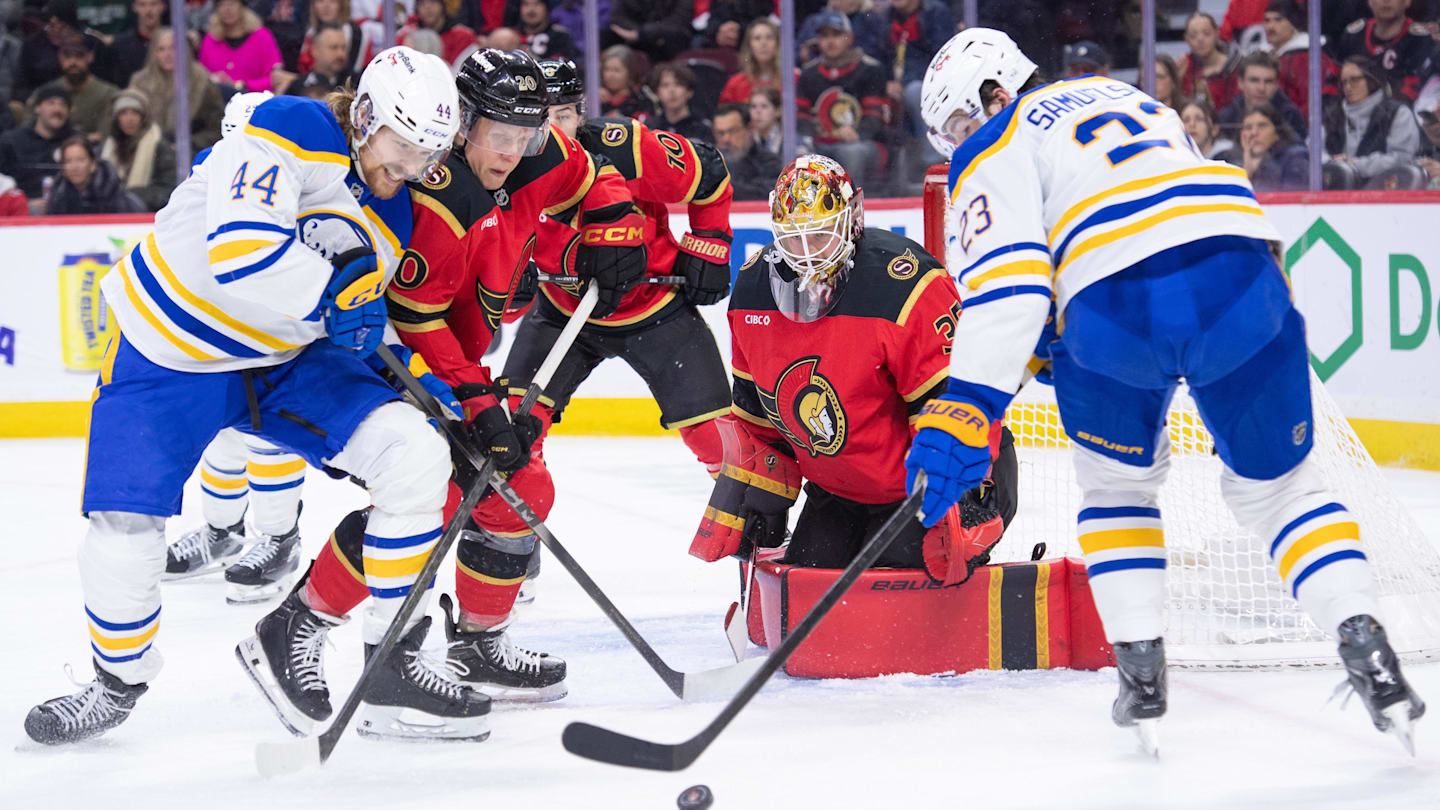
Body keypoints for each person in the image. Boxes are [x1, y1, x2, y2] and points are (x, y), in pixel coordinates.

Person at [913, 27, 1424, 752]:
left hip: (1117, 298)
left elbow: (1012, 290)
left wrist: (965, 408)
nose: (963, 142)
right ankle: (1362, 636)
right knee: (1283, 492)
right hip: (1243, 262)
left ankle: (1141, 675)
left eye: (962, 123)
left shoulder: (994, 145)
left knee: (1118, 491)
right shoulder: (1131, 97)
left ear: (994, 94)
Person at [23, 46, 489, 746]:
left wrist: (416, 377)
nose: (412, 168)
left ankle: (392, 663)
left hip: (282, 359)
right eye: (402, 145)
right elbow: (239, 251)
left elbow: (351, 319)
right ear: (363, 115)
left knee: (416, 454)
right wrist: (337, 289)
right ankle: (115, 682)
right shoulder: (293, 124)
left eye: (427, 155)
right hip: (168, 350)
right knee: (124, 525)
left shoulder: (395, 212)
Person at [245, 50, 646, 729]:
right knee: (438, 491)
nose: (512, 154)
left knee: (524, 494)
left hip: (462, 358)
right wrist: (478, 403)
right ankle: (297, 624)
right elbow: (415, 318)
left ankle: (478, 644)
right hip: (395, 358)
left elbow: (590, 176)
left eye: (527, 137)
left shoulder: (540, 153)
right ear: (463, 124)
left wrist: (616, 222)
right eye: (499, 137)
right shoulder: (433, 196)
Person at [693, 153, 1016, 585]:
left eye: (821, 236)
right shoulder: (753, 290)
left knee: (900, 585)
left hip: (925, 485)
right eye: (794, 239)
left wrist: (960, 497)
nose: (807, 255)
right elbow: (757, 417)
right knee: (808, 581)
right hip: (839, 490)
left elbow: (958, 405)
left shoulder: (905, 286)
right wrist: (757, 499)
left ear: (851, 221)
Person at [496, 57, 733, 600]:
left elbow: (711, 171)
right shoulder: (506, 158)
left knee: (724, 444)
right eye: (536, 118)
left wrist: (711, 243)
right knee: (509, 432)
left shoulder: (631, 147)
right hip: (561, 309)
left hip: (652, 306)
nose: (548, 132)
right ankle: (510, 547)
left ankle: (759, 549)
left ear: (581, 113)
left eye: (560, 115)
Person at [797, 11, 889, 192]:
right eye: (824, 36)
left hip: (863, 143)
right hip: (820, 144)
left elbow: (875, 117)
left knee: (851, 152)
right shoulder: (808, 74)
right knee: (801, 155)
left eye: (836, 34)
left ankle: (852, 209)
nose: (830, 41)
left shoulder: (870, 69)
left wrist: (858, 133)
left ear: (849, 37)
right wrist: (811, 139)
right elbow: (802, 119)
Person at [1325, 55, 1423, 184]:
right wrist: (1332, 163)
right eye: (1344, 82)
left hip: (1385, 191)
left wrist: (1354, 165)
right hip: (1336, 191)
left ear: (1372, 80)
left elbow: (1402, 159)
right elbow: (1314, 154)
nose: (1348, 87)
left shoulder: (1398, 113)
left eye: (1355, 80)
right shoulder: (1333, 115)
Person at [129, 27, 226, 150]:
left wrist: (190, 143)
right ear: (154, 53)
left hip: (191, 151)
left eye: (173, 48)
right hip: (149, 151)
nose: (167, 54)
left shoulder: (202, 81)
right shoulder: (139, 83)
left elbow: (217, 128)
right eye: (161, 49)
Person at [1334, 0, 1435, 103]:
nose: (1386, 1)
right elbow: (1334, 84)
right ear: (1369, 2)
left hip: (1401, 113)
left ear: (1407, 1)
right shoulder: (1353, 36)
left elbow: (1416, 91)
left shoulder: (1420, 39)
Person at [882, 0, 952, 142]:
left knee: (915, 91)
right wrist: (885, 82)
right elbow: (877, 56)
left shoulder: (935, 12)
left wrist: (905, 82)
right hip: (893, 82)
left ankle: (933, 156)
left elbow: (940, 58)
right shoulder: (885, 17)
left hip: (926, 82)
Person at [99, 88, 176, 211]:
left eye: (135, 112)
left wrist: (130, 196)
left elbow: (168, 190)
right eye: (123, 113)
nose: (130, 119)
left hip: (148, 216)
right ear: (116, 118)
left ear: (144, 117)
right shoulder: (106, 148)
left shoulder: (160, 147)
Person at [28, 34, 119, 137]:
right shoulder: (45, 93)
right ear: (60, 57)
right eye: (67, 56)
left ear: (90, 57)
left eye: (79, 56)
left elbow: (107, 135)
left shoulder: (108, 94)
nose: (73, 62)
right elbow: (28, 131)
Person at [1264, 0, 1338, 120]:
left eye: (1278, 20)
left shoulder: (1308, 58)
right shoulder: (1264, 55)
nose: (1270, 26)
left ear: (1293, 23)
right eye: (1267, 20)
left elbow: (1313, 103)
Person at [0, 86, 75, 203]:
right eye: (51, 103)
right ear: (37, 108)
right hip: (20, 210)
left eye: (63, 105)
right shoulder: (12, 141)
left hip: (68, 211)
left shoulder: (76, 142)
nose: (57, 109)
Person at [1218, 50, 1307, 142]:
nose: (1261, 88)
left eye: (1268, 81)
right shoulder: (1227, 117)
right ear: (1240, 83)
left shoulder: (1290, 116)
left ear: (1277, 85)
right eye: (1254, 80)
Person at [198, 0, 284, 93]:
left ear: (242, 6)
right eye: (221, 4)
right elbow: (201, 76)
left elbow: (276, 78)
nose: (227, 9)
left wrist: (240, 85)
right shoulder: (210, 39)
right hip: (219, 100)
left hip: (253, 99)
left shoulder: (262, 36)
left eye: (232, 3)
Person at [45, 135, 145, 214]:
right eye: (68, 161)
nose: (75, 167)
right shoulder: (57, 197)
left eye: (81, 160)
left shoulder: (114, 194)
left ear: (92, 164)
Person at [713, 101, 778, 200]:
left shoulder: (769, 163)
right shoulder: (709, 165)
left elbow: (768, 195)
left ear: (749, 129)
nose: (726, 139)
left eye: (733, 131)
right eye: (720, 133)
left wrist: (721, 186)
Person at [1178, 12, 1240, 111]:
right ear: (1187, 39)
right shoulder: (1184, 66)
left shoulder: (1234, 67)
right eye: (1193, 36)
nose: (1200, 39)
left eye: (1206, 33)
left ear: (1217, 34)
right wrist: (1177, 80)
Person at [719, 19, 789, 106]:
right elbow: (724, 116)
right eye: (757, 38)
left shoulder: (792, 79)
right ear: (749, 46)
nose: (763, 43)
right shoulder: (735, 83)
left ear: (777, 44)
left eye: (769, 37)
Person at [1240, 103, 1309, 190]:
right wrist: (1248, 173)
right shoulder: (1234, 162)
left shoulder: (1295, 157)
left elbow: (1291, 199)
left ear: (1277, 132)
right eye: (1248, 127)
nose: (1254, 132)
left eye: (1262, 125)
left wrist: (1262, 164)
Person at [602, 0, 692, 64]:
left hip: (665, 38)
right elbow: (617, 17)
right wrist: (639, 33)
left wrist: (643, 33)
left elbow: (678, 21)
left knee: (674, 35)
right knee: (606, 34)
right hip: (633, 35)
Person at [796, 0, 885, 66]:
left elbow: (877, 55)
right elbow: (796, 54)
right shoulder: (813, 21)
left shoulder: (872, 20)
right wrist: (805, 57)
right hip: (819, 77)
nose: (837, 1)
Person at [295, 0, 370, 76]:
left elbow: (353, 72)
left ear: (341, 5)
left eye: (332, 1)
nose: (326, 6)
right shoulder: (311, 32)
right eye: (320, 1)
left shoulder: (355, 33)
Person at [106, 0, 168, 89]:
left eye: (154, 4)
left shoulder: (175, 42)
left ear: (163, 6)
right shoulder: (120, 44)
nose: (148, 10)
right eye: (142, 5)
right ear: (134, 7)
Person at [282, 23, 356, 96]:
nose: (341, 54)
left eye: (344, 48)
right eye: (334, 47)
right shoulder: (298, 87)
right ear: (314, 50)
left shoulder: (355, 84)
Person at [401, 0, 476, 69]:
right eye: (422, 3)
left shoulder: (463, 36)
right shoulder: (406, 36)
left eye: (433, 1)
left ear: (443, 5)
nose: (427, 7)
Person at [649, 62, 712, 143]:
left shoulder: (703, 128)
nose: (671, 90)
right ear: (657, 93)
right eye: (665, 85)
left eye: (678, 84)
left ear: (690, 92)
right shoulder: (650, 127)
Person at [599, 44, 653, 121]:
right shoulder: (596, 97)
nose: (610, 75)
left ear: (630, 72)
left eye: (616, 70)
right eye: (606, 69)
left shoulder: (641, 100)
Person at [514, 0, 579, 62]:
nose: (531, 9)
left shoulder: (560, 36)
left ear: (546, 8)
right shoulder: (512, 36)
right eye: (526, 4)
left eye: (537, 4)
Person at [749, 86, 782, 157]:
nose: (758, 111)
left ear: (777, 111)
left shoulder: (789, 141)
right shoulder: (746, 141)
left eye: (764, 106)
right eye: (753, 106)